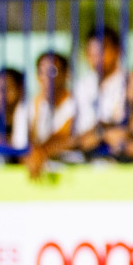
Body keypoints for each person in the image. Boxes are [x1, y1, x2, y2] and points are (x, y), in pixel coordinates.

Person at [22, 51, 79, 179]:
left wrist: (42, 151)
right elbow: (21, 148)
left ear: (66, 74)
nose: (46, 77)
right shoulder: (29, 108)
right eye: (41, 72)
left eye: (52, 71)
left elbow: (69, 136)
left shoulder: (78, 104)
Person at [72, 25, 126, 156]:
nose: (96, 59)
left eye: (101, 52)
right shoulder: (82, 86)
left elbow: (120, 126)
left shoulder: (128, 84)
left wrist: (98, 134)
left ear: (117, 51)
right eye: (91, 54)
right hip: (81, 156)